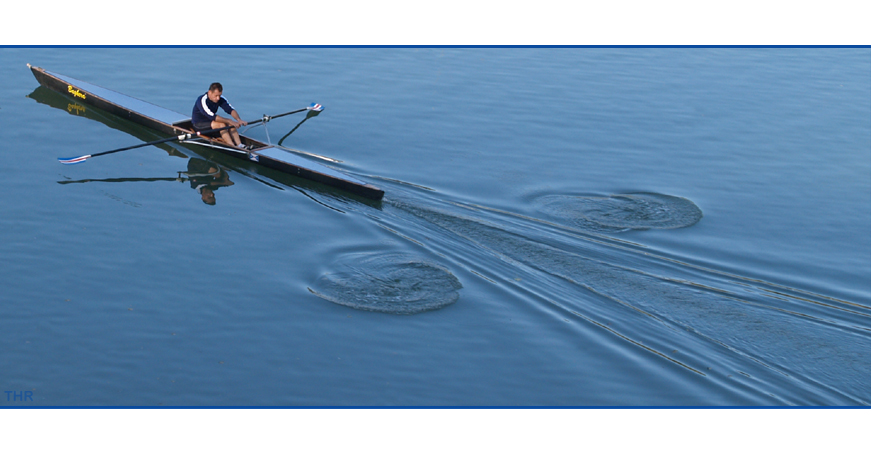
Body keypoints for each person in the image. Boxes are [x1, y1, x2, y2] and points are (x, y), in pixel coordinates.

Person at [191, 82, 247, 149]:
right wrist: (229, 121)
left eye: (219, 95)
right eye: (216, 96)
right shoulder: (202, 100)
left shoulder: (220, 99)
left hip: (212, 123)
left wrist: (238, 120)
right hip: (198, 125)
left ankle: (240, 145)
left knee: (231, 125)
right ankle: (232, 146)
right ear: (209, 93)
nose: (218, 98)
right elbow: (212, 116)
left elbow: (230, 110)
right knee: (222, 124)